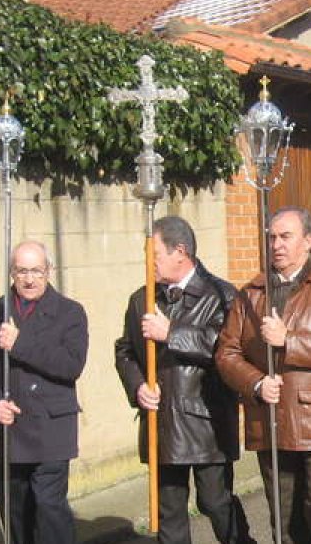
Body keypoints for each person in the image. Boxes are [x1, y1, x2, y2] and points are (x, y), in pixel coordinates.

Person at [217, 207, 311, 544]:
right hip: (269, 417)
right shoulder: (250, 294)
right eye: (272, 237)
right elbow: (226, 353)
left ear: (308, 241)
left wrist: (289, 341)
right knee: (283, 517)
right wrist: (255, 382)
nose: (277, 244)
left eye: (286, 236)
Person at [114, 216, 252, 544]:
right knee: (169, 511)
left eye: (156, 255)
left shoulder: (221, 295)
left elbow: (228, 348)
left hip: (206, 421)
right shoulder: (142, 299)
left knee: (216, 502)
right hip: (160, 422)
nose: (150, 263)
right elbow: (125, 351)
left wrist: (172, 333)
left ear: (181, 251)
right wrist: (137, 386)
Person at [0, 240, 89, 544]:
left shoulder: (70, 313)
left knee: (49, 508)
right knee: (16, 515)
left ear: (49, 271)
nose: (29, 279)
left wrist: (20, 344)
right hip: (7, 431)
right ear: (11, 273)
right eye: (21, 271)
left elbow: (71, 365)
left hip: (51, 428)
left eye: (36, 271)